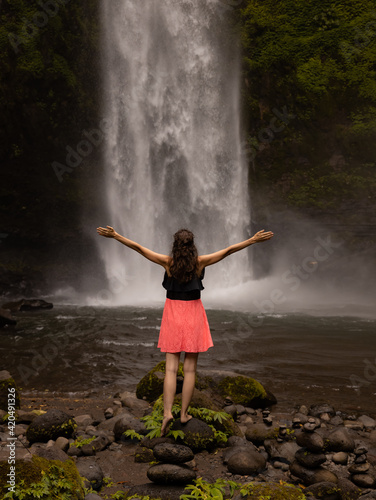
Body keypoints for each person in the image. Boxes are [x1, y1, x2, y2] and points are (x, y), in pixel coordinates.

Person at [97, 225, 273, 435]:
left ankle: (167, 413)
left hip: (172, 316)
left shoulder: (167, 262)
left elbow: (139, 249)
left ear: (175, 246)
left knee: (171, 369)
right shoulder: (200, 262)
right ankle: (183, 414)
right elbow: (228, 251)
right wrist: (252, 240)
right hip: (193, 316)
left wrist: (116, 236)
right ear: (192, 247)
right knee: (189, 370)